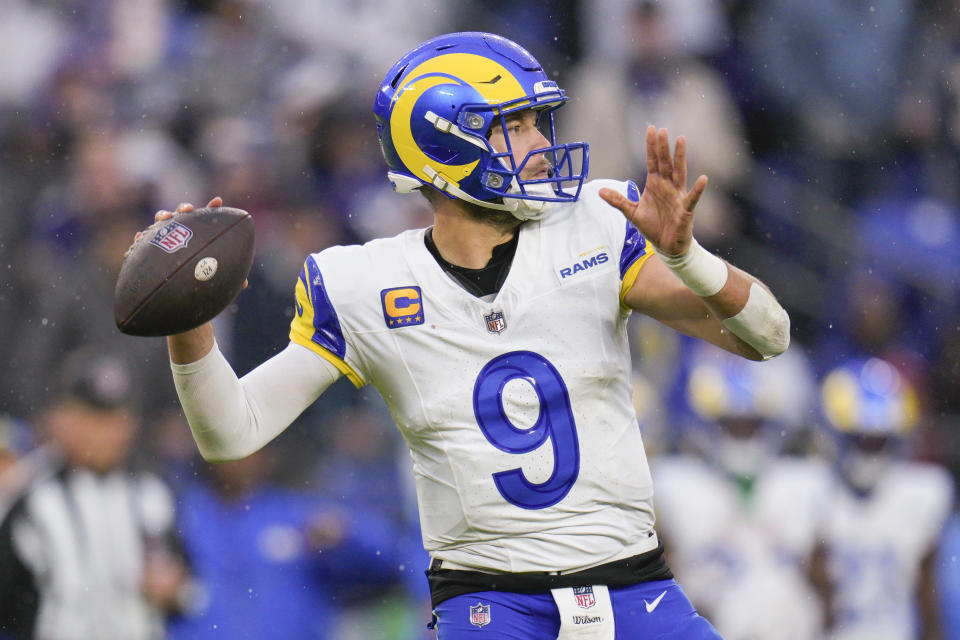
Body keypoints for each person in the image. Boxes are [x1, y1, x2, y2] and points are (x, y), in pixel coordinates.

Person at [154, 32, 791, 639]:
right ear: (445, 143)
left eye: (537, 122)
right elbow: (230, 433)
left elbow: (768, 336)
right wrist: (188, 323)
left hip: (632, 585)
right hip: (491, 600)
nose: (541, 142)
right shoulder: (360, 284)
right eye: (514, 125)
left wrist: (689, 258)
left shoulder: (596, 223)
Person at [0, 349, 192, 640]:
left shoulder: (151, 496)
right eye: (93, 419)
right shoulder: (29, 498)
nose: (106, 434)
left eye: (115, 419)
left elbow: (189, 589)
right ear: (61, 419)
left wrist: (173, 588)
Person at [652, 344, 830, 639]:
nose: (742, 434)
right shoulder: (676, 482)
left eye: (751, 425)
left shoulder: (801, 482)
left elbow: (823, 584)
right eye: (732, 425)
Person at [167, 446, 408, 640]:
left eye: (247, 446)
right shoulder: (181, 517)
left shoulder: (293, 513)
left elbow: (392, 558)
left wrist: (345, 532)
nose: (238, 459)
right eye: (227, 445)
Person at [811, 357, 954, 640]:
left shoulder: (921, 492)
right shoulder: (812, 490)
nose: (869, 449)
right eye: (860, 439)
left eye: (879, 440)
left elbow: (929, 600)